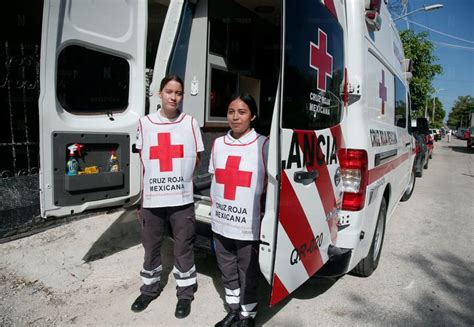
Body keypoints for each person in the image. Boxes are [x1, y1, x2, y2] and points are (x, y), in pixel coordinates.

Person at [132, 75, 204, 319]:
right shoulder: (145, 123)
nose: (174, 97)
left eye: (179, 92)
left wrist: (180, 180)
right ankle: (149, 289)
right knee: (151, 247)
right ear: (159, 93)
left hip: (181, 200)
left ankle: (185, 293)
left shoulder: (190, 123)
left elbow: (197, 158)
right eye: (169, 91)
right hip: (152, 200)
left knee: (183, 248)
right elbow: (142, 162)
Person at [209, 94, 268, 327]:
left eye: (242, 112)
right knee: (226, 269)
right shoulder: (218, 144)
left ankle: (248, 314)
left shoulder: (264, 144)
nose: (235, 117)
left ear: (252, 116)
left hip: (248, 225)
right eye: (231, 111)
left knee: (248, 272)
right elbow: (216, 179)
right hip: (221, 221)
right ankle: (233, 310)